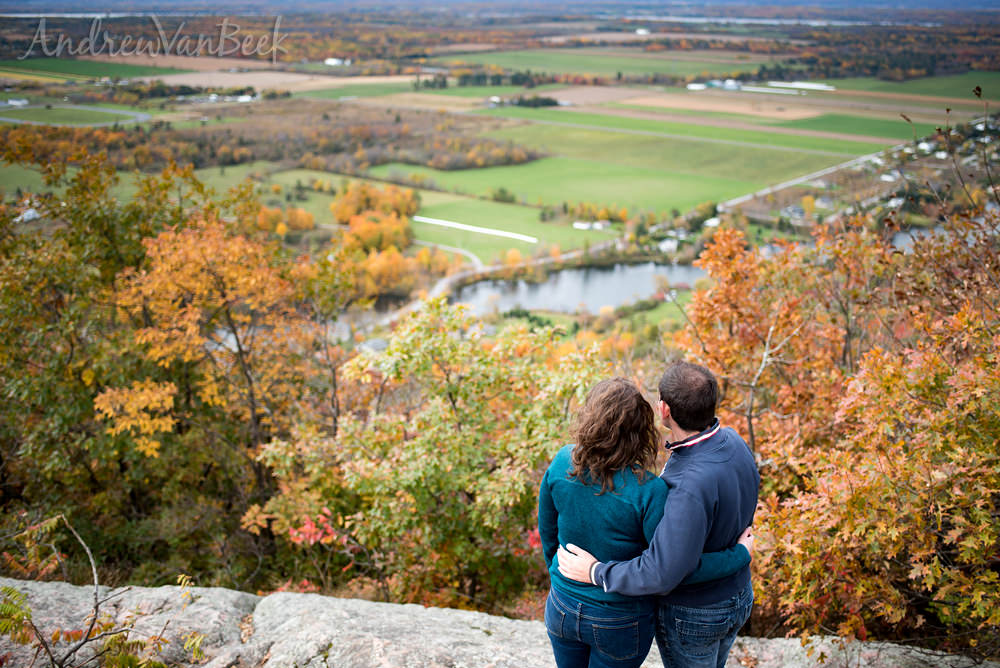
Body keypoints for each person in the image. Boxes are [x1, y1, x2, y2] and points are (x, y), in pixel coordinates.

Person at [539, 377, 753, 668]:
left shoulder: (563, 461)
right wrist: (738, 555)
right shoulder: (649, 491)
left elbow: (548, 531)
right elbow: (675, 568)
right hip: (619, 619)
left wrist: (560, 576)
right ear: (641, 430)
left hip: (562, 605)